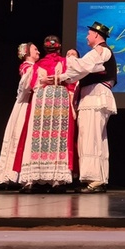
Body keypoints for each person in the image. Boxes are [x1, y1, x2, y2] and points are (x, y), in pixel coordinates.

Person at [54, 21, 115, 193]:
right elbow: (79, 72)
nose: (87, 36)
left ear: (96, 34)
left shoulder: (100, 50)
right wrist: (59, 78)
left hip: (94, 97)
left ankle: (93, 179)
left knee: (90, 137)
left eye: (89, 34)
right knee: (95, 138)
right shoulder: (98, 52)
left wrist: (69, 59)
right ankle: (98, 178)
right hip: (93, 97)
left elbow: (82, 66)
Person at [15, 35, 76, 193]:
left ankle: (33, 178)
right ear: (59, 47)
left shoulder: (37, 65)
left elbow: (30, 85)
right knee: (58, 137)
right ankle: (57, 181)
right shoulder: (66, 62)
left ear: (44, 48)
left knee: (37, 136)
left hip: (41, 100)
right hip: (59, 99)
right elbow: (73, 80)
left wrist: (42, 83)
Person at [0, 42, 39, 186]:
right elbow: (26, 86)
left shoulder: (34, 67)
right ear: (27, 53)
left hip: (34, 103)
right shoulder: (27, 67)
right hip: (26, 105)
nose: (38, 52)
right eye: (35, 49)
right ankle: (23, 176)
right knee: (23, 136)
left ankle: (31, 175)